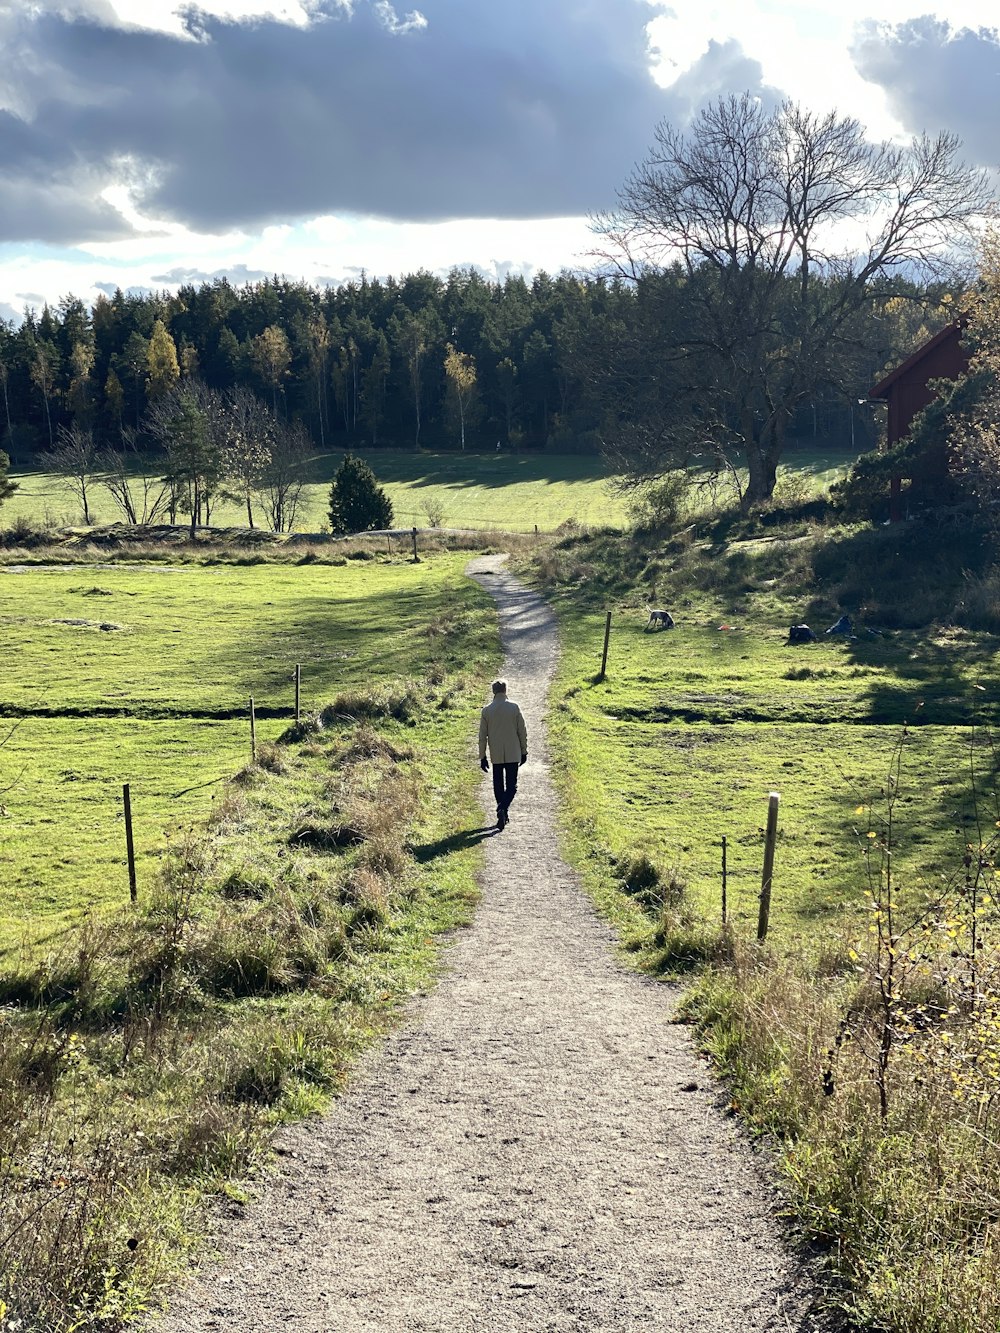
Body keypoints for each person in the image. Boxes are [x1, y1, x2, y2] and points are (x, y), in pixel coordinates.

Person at [478, 679, 527, 830]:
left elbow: (482, 736)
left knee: (498, 784)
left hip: (496, 753)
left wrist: (482, 756)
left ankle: (502, 809)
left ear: (493, 691)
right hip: (513, 752)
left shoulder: (487, 710)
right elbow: (522, 731)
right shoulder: (514, 708)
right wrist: (524, 750)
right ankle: (503, 808)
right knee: (512, 786)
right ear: (505, 690)